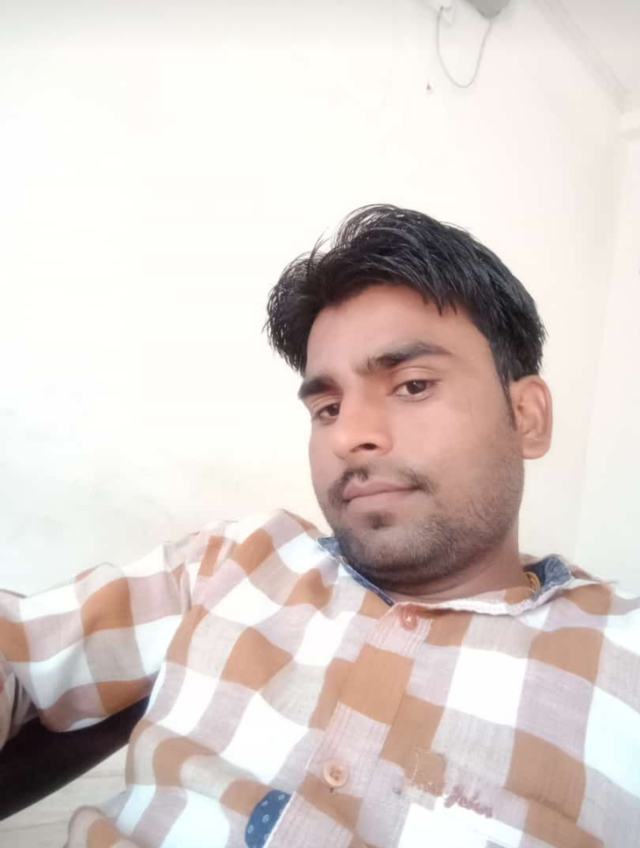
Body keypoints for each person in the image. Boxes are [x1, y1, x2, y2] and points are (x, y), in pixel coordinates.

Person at [1, 204, 638, 848]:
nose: (348, 435)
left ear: (527, 416)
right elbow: (19, 655)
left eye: (413, 385)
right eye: (327, 407)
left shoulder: (625, 659)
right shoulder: (235, 561)